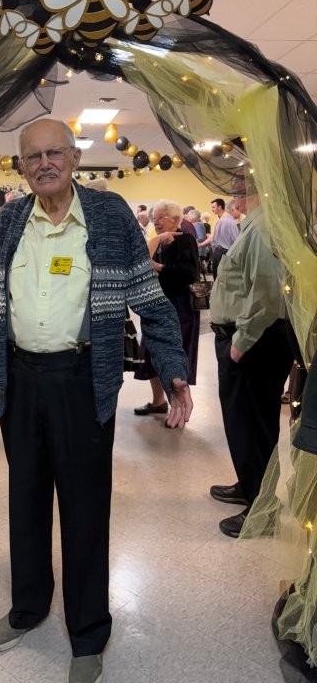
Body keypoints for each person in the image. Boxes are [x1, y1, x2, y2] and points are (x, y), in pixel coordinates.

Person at [0, 118, 193, 683]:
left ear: (74, 158)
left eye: (54, 153)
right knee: (26, 499)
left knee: (86, 508)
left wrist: (174, 372)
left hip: (83, 380)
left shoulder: (110, 217)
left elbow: (151, 302)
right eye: (32, 156)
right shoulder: (10, 221)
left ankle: (88, 631)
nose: (44, 163)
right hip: (20, 381)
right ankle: (29, 606)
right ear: (21, 166)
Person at [209, 178, 293, 537]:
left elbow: (267, 294)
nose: (234, 192)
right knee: (247, 423)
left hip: (253, 342)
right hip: (253, 340)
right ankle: (249, 485)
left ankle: (261, 509)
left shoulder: (261, 229)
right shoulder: (255, 225)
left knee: (252, 426)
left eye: (241, 186)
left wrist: (241, 343)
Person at [133, 200, 201, 417]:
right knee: (150, 351)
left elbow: (190, 274)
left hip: (179, 306)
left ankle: (177, 406)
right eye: (155, 218)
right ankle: (158, 401)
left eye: (161, 218)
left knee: (176, 353)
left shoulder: (186, 239)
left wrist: (159, 267)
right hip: (158, 303)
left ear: (176, 219)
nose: (157, 222)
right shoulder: (160, 241)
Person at [202, 198, 239, 279]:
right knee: (224, 279)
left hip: (219, 252)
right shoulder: (230, 222)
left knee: (218, 278)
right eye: (238, 209)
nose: (240, 211)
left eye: (213, 207)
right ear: (233, 209)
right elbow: (236, 241)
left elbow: (214, 240)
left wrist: (216, 251)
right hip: (225, 253)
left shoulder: (222, 220)